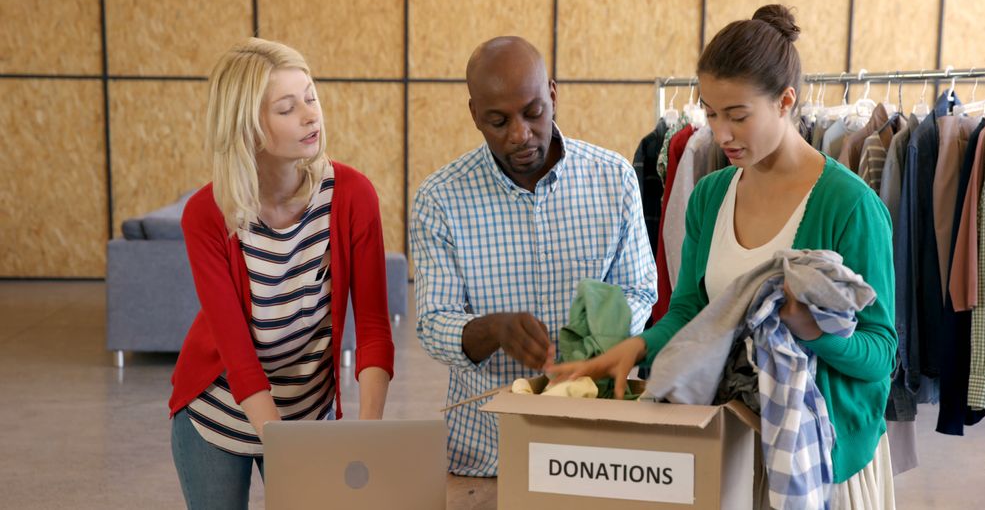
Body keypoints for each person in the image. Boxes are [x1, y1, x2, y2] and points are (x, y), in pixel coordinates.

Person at [549, 5, 898, 508]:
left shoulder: (849, 206)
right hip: (728, 438)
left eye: (737, 116)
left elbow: (881, 353)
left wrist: (814, 332)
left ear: (785, 102)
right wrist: (639, 347)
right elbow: (692, 311)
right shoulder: (711, 195)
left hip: (819, 460)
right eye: (711, 113)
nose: (721, 133)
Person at [410, 36, 657, 476]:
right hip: (487, 451)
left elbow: (640, 289)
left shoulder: (613, 179)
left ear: (554, 95)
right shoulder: (440, 199)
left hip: (596, 445)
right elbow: (433, 323)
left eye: (533, 112)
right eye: (498, 121)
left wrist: (598, 341)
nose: (520, 134)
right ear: (474, 116)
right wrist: (492, 329)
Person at [168, 38, 395, 509]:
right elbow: (237, 353)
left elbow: (372, 326)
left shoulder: (352, 196)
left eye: (311, 97)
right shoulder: (207, 214)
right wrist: (280, 444)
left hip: (309, 414)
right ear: (248, 128)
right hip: (218, 411)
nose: (311, 116)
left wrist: (369, 434)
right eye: (287, 108)